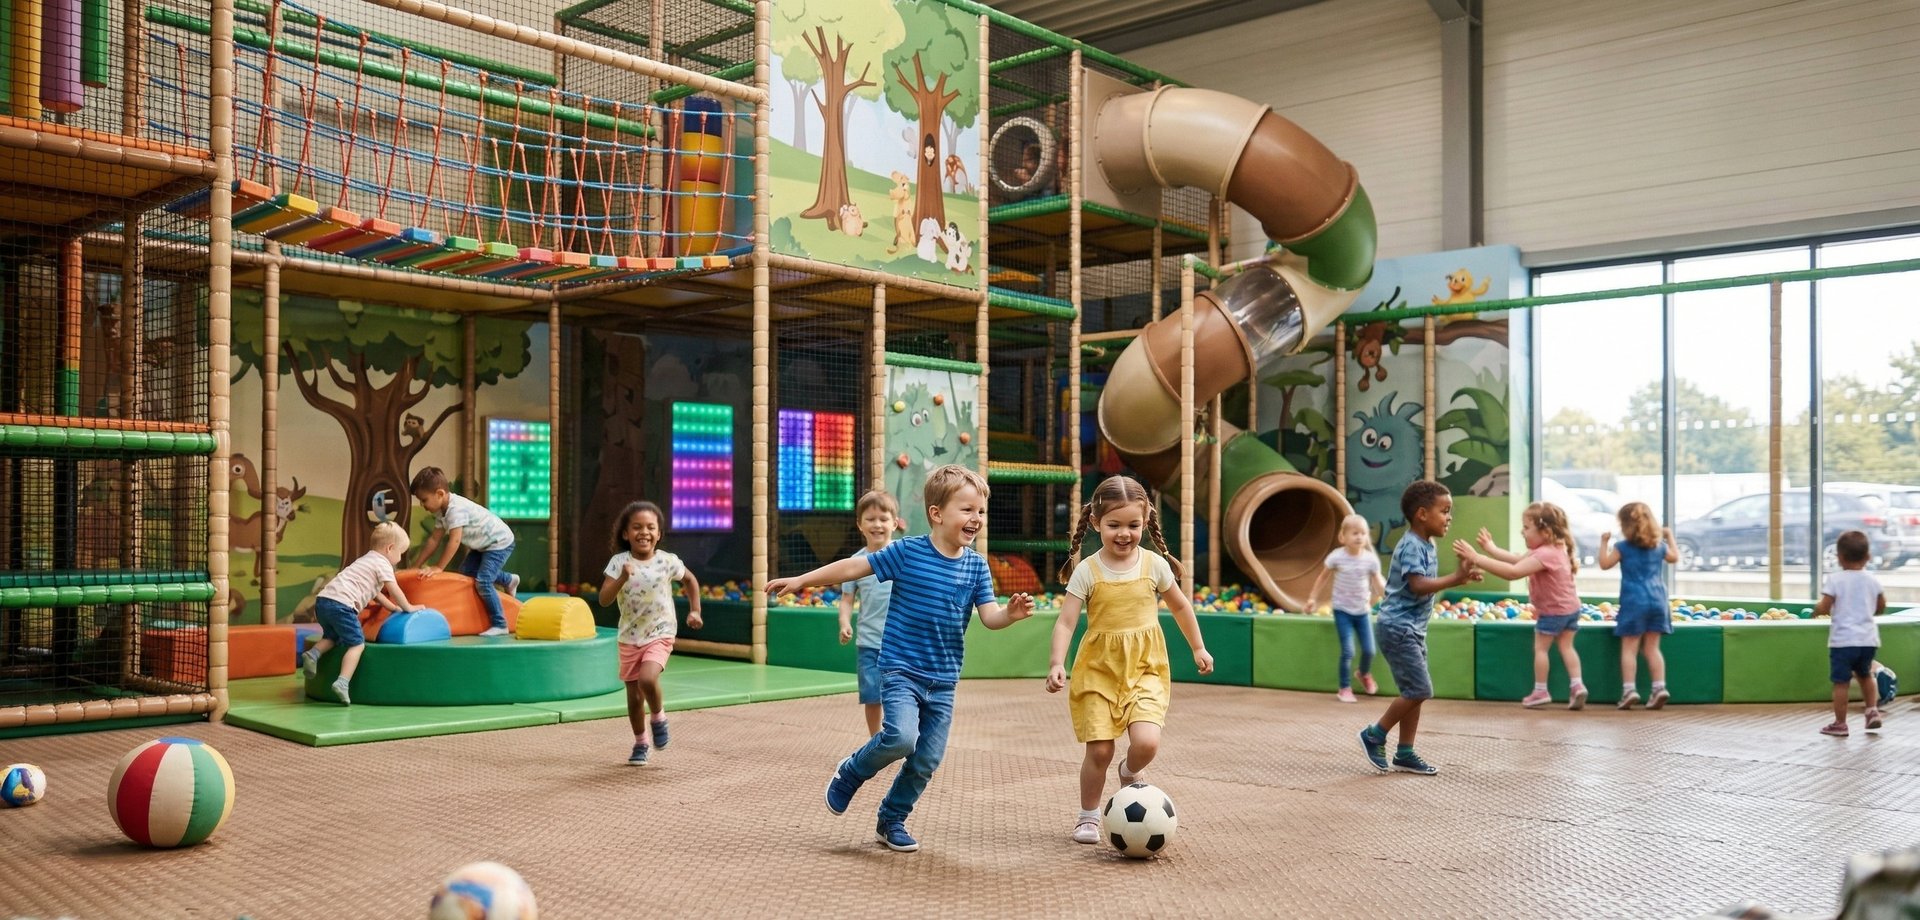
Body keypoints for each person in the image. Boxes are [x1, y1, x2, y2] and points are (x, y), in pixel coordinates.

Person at [766, 465, 1034, 853]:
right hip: (901, 669)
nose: (976, 518)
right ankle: (852, 770)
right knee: (901, 738)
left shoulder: (976, 566)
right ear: (937, 513)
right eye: (967, 509)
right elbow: (855, 567)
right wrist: (802, 579)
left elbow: (989, 617)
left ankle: (891, 819)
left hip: (943, 679)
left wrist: (1010, 615)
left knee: (926, 759)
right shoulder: (908, 553)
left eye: (980, 511)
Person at [1045, 476, 1213, 845]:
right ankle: (1088, 816)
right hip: (1098, 671)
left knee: (1147, 742)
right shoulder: (1087, 570)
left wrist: (1198, 647)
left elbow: (1181, 607)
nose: (1124, 534)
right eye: (1114, 525)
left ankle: (1129, 771)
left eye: (1133, 525)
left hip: (1145, 668)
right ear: (1095, 523)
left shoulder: (1154, 565)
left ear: (1146, 520)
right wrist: (1058, 663)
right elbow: (1066, 621)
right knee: (1100, 749)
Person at [1358, 481, 1479, 776]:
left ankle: (1405, 752)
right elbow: (1418, 585)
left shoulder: (1426, 543)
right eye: (1444, 511)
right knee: (1420, 689)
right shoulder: (1412, 544)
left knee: (1413, 691)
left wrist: (1460, 578)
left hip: (1411, 629)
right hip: (1398, 628)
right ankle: (1374, 735)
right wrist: (1456, 579)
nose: (1449, 517)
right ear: (1422, 514)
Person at [598, 500, 702, 765]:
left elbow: (690, 580)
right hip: (629, 637)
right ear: (626, 533)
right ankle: (641, 743)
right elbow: (604, 599)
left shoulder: (667, 561)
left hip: (660, 631)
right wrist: (622, 577)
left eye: (650, 527)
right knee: (633, 697)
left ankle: (658, 716)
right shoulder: (618, 562)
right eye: (637, 527)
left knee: (647, 679)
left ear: (658, 534)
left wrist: (695, 610)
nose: (643, 532)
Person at [1455, 503, 1587, 710]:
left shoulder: (1544, 554)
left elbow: (1513, 572)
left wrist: (1477, 557)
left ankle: (1541, 690)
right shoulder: (1555, 548)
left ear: (1545, 531)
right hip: (1571, 609)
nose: (1522, 532)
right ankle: (1577, 685)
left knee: (1541, 649)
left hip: (1552, 612)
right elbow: (1517, 560)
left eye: (1526, 528)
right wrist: (1491, 549)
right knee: (1566, 647)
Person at [302, 522, 422, 705]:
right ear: (390, 548)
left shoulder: (365, 560)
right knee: (357, 644)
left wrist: (392, 608)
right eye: (400, 553)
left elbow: (375, 593)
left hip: (323, 602)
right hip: (342, 605)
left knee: (332, 636)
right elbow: (393, 588)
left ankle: (313, 655)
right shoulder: (383, 564)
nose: (399, 559)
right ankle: (343, 682)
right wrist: (408, 607)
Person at [409, 466, 518, 637]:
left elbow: (455, 540)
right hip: (483, 545)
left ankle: (500, 623)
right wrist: (415, 566)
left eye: (424, 500)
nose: (422, 505)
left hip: (498, 542)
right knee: (466, 573)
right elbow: (433, 540)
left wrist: (439, 567)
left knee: (482, 582)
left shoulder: (455, 509)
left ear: (439, 494)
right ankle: (508, 580)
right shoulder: (441, 511)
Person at [1596, 501, 1679, 709]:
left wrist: (1604, 542)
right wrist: (1669, 537)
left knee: (1629, 649)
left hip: (1634, 601)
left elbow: (1605, 564)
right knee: (1652, 649)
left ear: (1624, 526)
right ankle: (1659, 688)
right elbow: (1674, 557)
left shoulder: (1622, 547)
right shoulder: (1659, 547)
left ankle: (1629, 690)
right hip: (1658, 601)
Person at [838, 490, 899, 736]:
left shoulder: (902, 555)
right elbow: (846, 599)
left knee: (899, 694)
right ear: (860, 525)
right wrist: (844, 623)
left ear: (895, 523)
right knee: (872, 696)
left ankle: (898, 734)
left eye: (883, 519)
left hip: (900, 642)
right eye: (870, 519)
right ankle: (876, 741)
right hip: (869, 643)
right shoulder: (855, 562)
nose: (877, 525)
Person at [1308, 513, 1385, 702]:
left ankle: (1363, 673)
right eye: (1354, 533)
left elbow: (1378, 582)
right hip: (1342, 610)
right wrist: (1312, 598)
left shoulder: (1370, 560)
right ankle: (1344, 688)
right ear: (1343, 537)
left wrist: (1389, 597)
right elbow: (1323, 577)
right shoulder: (1337, 557)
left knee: (1369, 650)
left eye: (1363, 533)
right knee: (1348, 651)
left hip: (1362, 612)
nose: (1359, 537)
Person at [1817, 530, 1887, 737]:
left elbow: (1824, 606)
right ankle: (1872, 710)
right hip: (1867, 639)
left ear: (1839, 558)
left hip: (1843, 641)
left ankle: (1840, 723)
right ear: (1868, 557)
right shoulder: (1872, 579)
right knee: (1866, 675)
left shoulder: (1835, 580)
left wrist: (1817, 611)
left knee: (1841, 682)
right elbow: (1882, 605)